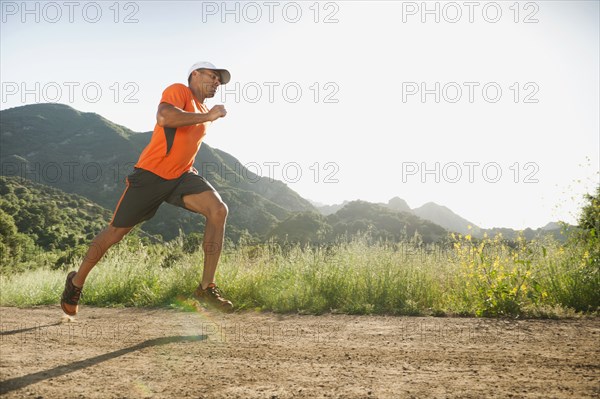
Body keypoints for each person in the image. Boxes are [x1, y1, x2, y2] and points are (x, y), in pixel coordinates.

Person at [61, 62, 233, 315]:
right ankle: (76, 282)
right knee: (115, 233)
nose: (217, 82)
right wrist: (208, 116)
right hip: (151, 175)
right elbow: (165, 118)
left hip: (182, 177)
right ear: (195, 74)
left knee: (218, 210)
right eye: (213, 76)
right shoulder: (179, 91)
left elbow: (184, 144)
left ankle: (206, 287)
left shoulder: (204, 109)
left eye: (220, 80)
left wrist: (188, 163)